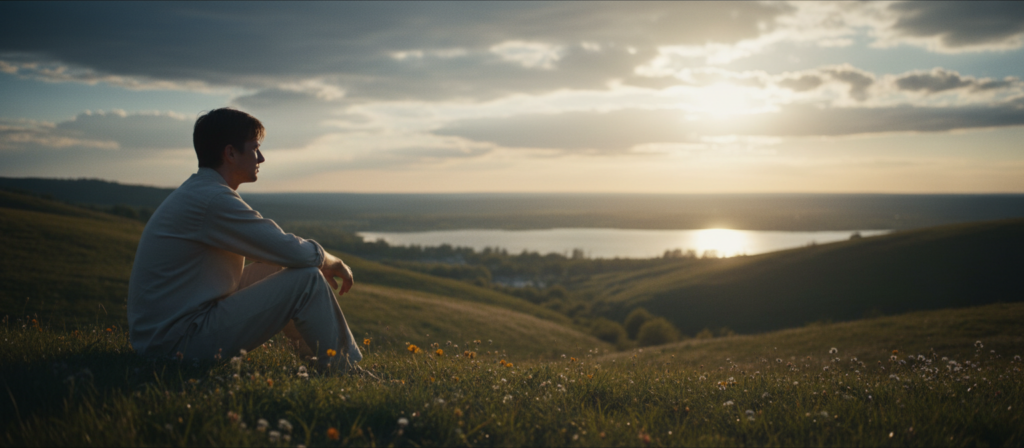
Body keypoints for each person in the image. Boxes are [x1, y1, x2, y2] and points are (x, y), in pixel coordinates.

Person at [127, 108, 362, 371]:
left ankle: (319, 361)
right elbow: (293, 251)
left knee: (280, 267)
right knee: (305, 279)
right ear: (230, 153)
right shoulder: (212, 200)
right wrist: (332, 261)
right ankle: (346, 372)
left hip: (170, 333)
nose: (261, 157)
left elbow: (277, 253)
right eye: (254, 148)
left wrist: (315, 260)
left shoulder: (203, 192)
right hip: (175, 344)